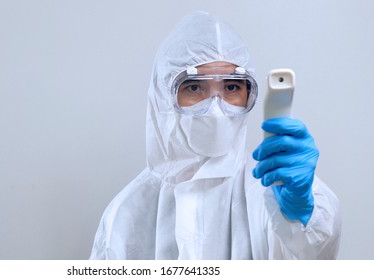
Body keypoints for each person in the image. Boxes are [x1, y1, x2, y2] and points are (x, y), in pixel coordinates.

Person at [90, 11, 341, 260]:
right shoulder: (127, 213)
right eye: (194, 87)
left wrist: (303, 215)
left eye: (231, 87)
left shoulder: (274, 190)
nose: (216, 108)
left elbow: (315, 256)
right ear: (165, 96)